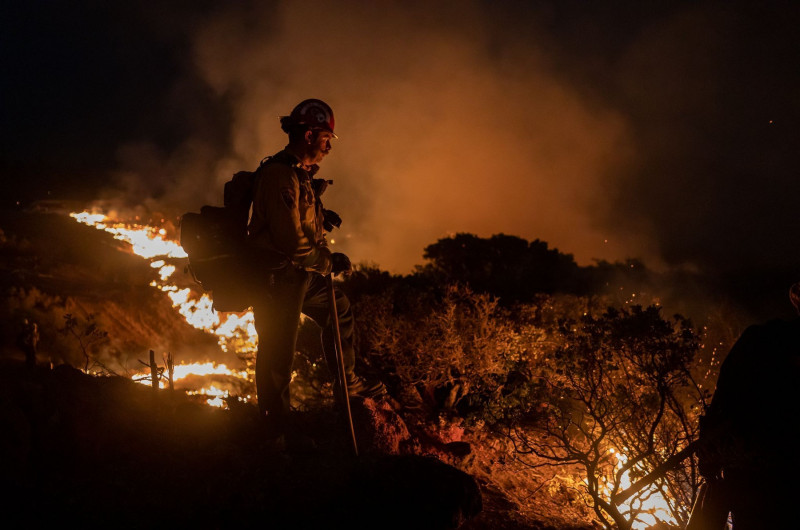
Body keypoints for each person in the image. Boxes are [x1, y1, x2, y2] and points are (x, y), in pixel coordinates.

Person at [247, 98, 385, 440]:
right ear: (309, 135)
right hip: (278, 277)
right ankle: (274, 429)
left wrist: (323, 216)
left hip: (299, 274)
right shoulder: (280, 175)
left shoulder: (298, 174)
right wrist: (328, 262)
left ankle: (348, 383)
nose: (328, 147)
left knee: (338, 308)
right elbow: (289, 239)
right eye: (326, 139)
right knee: (279, 351)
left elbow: (301, 222)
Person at [694, 283, 800, 529]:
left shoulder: (762, 339)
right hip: (760, 473)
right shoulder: (763, 339)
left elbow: (724, 400)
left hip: (755, 473)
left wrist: (711, 455)